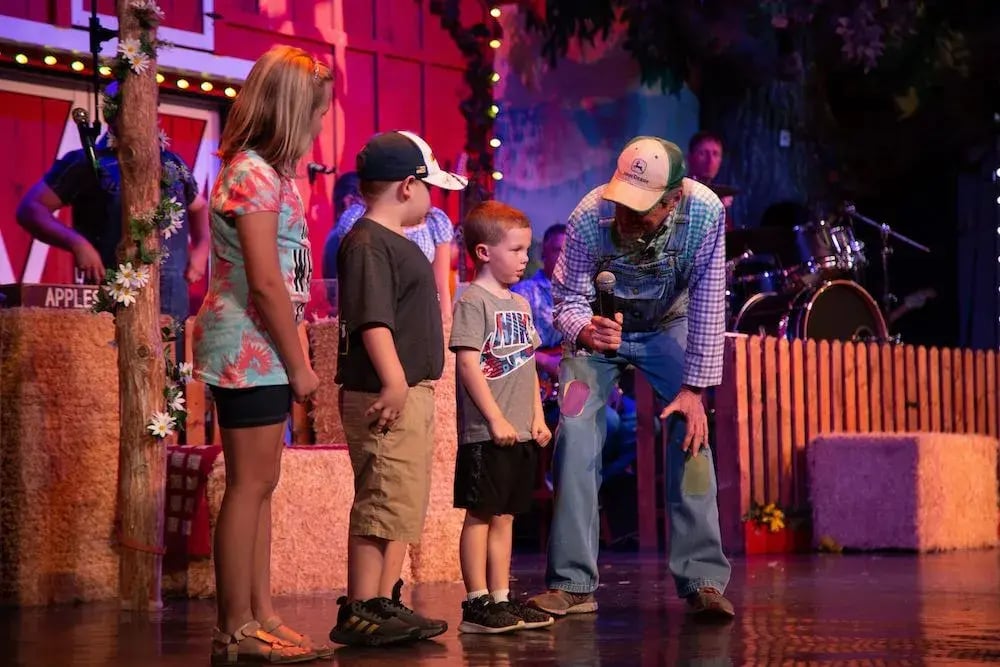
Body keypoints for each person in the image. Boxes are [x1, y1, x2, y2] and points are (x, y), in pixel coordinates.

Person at [527, 136, 735, 621]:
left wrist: (693, 392)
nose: (625, 217)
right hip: (601, 331)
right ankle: (573, 584)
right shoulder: (588, 216)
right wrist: (584, 327)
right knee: (575, 431)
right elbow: (568, 300)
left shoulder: (705, 214)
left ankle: (702, 579)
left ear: (674, 198)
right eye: (623, 203)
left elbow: (708, 306)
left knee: (691, 433)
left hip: (669, 326)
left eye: (641, 210)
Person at [192, 45, 332, 664]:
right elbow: (267, 280)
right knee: (247, 484)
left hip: (267, 343)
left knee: (264, 482)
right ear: (290, 110)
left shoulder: (276, 175)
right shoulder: (249, 172)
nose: (320, 125)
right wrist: (301, 363)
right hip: (247, 344)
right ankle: (233, 625)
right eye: (316, 113)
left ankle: (261, 611)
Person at [330, 130, 467, 646]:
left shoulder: (395, 242)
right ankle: (361, 606)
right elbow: (372, 319)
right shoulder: (368, 242)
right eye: (431, 189)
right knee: (381, 498)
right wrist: (393, 380)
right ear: (408, 187)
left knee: (400, 503)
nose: (435, 202)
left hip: (411, 390)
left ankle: (384, 601)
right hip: (389, 391)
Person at [15, 80, 209, 328]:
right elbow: (31, 209)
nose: (144, 115)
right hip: (115, 294)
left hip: (171, 298)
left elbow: (199, 206)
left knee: (171, 364)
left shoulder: (172, 163)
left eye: (150, 107)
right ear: (110, 113)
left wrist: (201, 249)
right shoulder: (88, 163)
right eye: (132, 107)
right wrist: (78, 244)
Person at [450, 201, 555, 634]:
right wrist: (494, 418)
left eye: (526, 249)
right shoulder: (473, 302)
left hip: (519, 430)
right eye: (515, 250)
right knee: (481, 513)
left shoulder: (521, 304)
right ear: (483, 252)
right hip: (485, 432)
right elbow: (468, 365)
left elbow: (528, 364)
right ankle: (476, 601)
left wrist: (536, 417)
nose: (524, 258)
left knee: (507, 516)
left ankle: (501, 597)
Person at [331, 179, 456, 324]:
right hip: (375, 311)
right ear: (407, 186)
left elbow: (441, 284)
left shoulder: (434, 221)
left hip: (419, 313)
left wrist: (445, 323)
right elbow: (348, 281)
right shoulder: (358, 218)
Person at [687, 131, 735, 229]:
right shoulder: (681, 193)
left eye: (715, 154)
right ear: (689, 158)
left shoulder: (720, 194)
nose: (710, 160)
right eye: (703, 153)